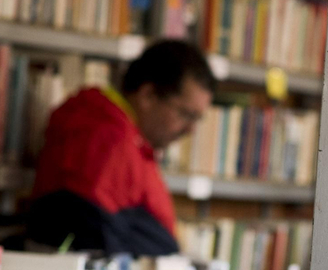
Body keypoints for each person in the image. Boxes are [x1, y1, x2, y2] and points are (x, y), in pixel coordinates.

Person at [27, 38, 214, 254]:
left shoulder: (129, 136)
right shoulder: (104, 138)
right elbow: (93, 233)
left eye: (197, 119)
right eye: (186, 114)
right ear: (148, 96)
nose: (190, 130)